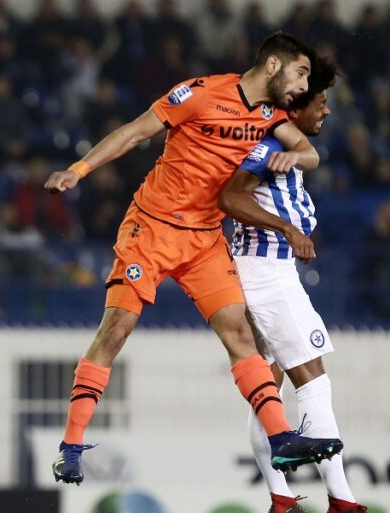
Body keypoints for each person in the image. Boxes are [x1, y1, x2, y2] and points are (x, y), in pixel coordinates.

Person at [43, 32, 343, 485]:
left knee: (239, 332)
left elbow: (310, 153)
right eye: (301, 73)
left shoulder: (271, 115)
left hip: (204, 239)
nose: (304, 86)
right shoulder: (200, 93)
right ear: (273, 65)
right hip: (152, 228)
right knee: (117, 328)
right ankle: (70, 448)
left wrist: (294, 156)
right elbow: (134, 132)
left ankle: (281, 438)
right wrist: (77, 170)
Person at [218, 56, 366, 513]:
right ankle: (342, 502)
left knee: (269, 390)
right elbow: (230, 195)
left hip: (255, 270)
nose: (326, 111)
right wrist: (286, 228)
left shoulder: (284, 146)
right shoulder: (267, 144)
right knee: (312, 379)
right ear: (295, 107)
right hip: (268, 273)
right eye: (320, 103)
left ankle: (281, 498)